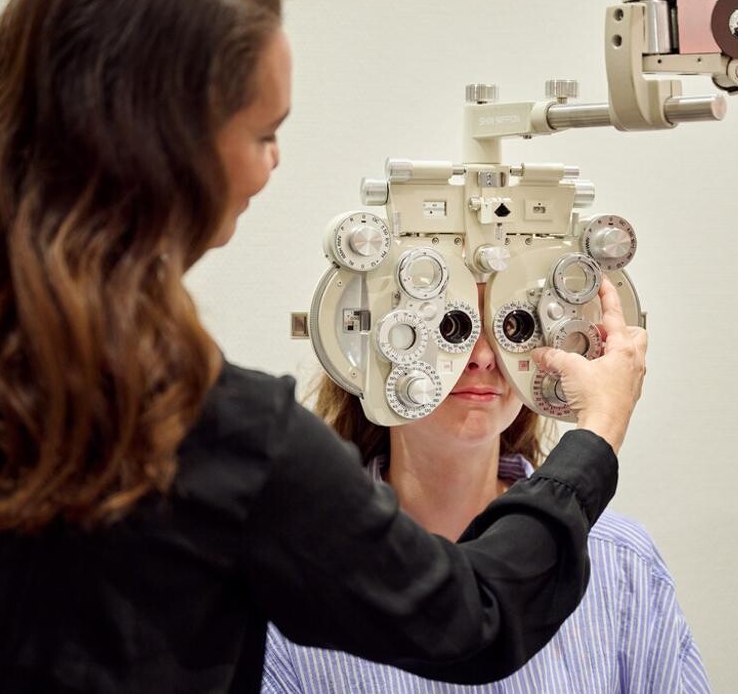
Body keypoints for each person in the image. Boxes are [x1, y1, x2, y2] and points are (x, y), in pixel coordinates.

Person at [0, 0, 647, 692]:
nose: (271, 165)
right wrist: (596, 435)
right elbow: (474, 618)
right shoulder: (223, 436)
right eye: (263, 134)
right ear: (167, 145)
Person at [263, 285, 704, 693]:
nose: (482, 356)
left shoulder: (620, 560)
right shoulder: (301, 566)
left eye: (513, 327)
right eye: (448, 327)